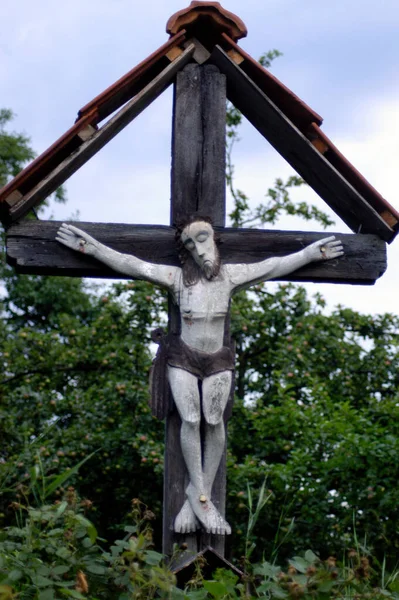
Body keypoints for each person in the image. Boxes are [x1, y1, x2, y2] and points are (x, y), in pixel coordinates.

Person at [56, 216, 343, 535]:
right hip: (183, 357)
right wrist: (93, 248)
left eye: (202, 237)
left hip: (218, 358)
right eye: (190, 243)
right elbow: (133, 264)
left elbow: (273, 265)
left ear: (215, 239)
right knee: (191, 419)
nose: (197, 248)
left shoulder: (231, 276)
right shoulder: (178, 279)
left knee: (215, 419)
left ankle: (194, 496)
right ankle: (203, 499)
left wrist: (308, 255)